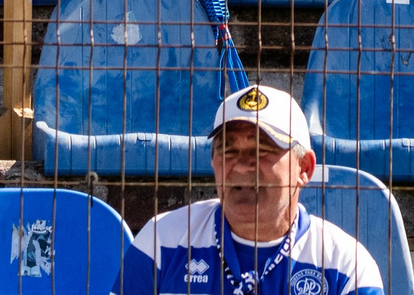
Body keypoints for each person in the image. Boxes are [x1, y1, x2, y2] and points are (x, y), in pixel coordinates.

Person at [116, 84, 385, 295]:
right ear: (213, 162)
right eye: (228, 150)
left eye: (262, 150)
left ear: (304, 168)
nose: (242, 166)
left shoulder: (346, 267)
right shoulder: (161, 241)